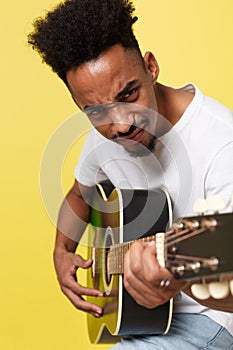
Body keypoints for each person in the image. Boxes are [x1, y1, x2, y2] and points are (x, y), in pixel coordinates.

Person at [28, 0, 233, 348]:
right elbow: (81, 195)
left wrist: (179, 281)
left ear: (151, 67)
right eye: (97, 111)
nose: (120, 125)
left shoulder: (221, 145)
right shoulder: (101, 138)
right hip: (136, 316)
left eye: (129, 94)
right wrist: (62, 251)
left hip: (210, 321)